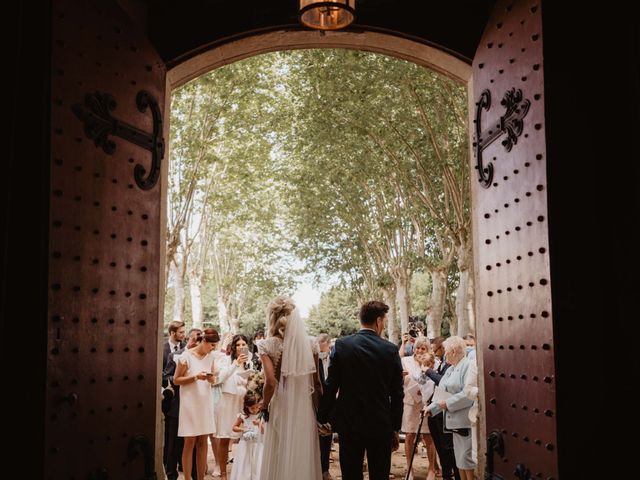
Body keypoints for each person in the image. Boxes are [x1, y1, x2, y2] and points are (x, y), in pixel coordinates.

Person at [318, 301, 404, 480]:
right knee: (380, 475)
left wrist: (323, 417)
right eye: (385, 322)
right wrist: (395, 427)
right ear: (378, 321)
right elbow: (397, 393)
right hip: (380, 423)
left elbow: (331, 385)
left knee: (350, 474)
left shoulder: (342, 345)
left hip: (349, 423)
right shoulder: (390, 349)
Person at [258, 296, 322, 480]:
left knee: (279, 450)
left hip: (281, 404)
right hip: (304, 406)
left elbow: (270, 382)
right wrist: (320, 412)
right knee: (301, 450)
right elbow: (316, 383)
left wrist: (264, 406)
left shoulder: (267, 345)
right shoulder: (311, 344)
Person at [425, 336, 477, 480]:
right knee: (460, 461)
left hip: (464, 421)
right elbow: (442, 390)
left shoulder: (467, 365)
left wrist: (447, 404)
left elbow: (467, 395)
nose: (444, 353)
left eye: (446, 350)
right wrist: (431, 408)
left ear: (454, 351)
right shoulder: (451, 368)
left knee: (466, 461)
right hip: (453, 422)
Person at [173, 328, 220, 480]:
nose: (213, 349)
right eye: (212, 345)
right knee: (190, 441)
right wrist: (195, 377)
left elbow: (213, 379)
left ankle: (201, 478)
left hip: (205, 401)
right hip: (189, 403)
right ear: (204, 341)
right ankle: (187, 478)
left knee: (203, 441)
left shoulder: (211, 357)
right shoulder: (186, 356)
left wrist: (211, 379)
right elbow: (176, 380)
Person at [214, 334, 251, 479]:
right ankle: (223, 473)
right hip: (228, 401)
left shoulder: (250, 362)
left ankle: (243, 473)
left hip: (242, 403)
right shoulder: (225, 360)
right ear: (233, 347)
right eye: (238, 345)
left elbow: (250, 381)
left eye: (244, 344)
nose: (241, 347)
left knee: (244, 437)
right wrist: (235, 364)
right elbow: (220, 379)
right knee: (225, 437)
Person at [423, 336, 459, 480]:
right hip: (435, 410)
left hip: (445, 412)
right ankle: (446, 475)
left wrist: (428, 371)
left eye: (434, 349)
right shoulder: (442, 363)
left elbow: (443, 383)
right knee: (441, 449)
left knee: (448, 449)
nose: (433, 352)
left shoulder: (451, 366)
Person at [402, 336, 437, 480]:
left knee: (428, 436)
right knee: (410, 435)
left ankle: (432, 469)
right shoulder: (406, 361)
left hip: (426, 403)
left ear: (428, 349)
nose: (420, 351)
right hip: (410, 401)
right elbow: (402, 379)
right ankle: (409, 469)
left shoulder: (434, 361)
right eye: (418, 347)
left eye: (423, 348)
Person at [161, 320, 187, 480]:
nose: (183, 335)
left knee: (179, 435)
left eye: (184, 332)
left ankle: (180, 464)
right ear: (172, 332)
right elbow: (163, 373)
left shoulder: (185, 350)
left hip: (182, 398)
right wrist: (173, 381)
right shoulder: (163, 349)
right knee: (168, 435)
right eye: (181, 332)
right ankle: (167, 466)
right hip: (167, 397)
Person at [230, 393, 264, 480]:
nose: (255, 410)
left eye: (257, 407)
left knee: (257, 463)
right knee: (245, 462)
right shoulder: (243, 416)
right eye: (252, 408)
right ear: (247, 406)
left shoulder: (260, 416)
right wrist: (243, 429)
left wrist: (259, 424)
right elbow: (234, 427)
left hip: (257, 444)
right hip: (245, 444)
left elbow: (264, 431)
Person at [316, 333, 333, 480]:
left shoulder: (335, 357)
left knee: (326, 436)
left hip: (331, 402)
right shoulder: (314, 358)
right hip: (316, 402)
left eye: (323, 349)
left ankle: (325, 469)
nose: (321, 352)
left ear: (328, 345)